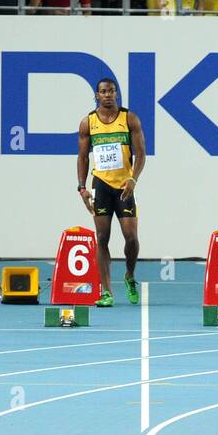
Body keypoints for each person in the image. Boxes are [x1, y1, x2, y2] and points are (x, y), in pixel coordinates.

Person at [76, 77, 146, 307]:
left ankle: (129, 275)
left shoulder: (129, 119)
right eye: (103, 92)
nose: (108, 95)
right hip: (101, 186)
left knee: (131, 238)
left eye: (111, 91)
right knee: (102, 238)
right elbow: (83, 157)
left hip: (124, 187)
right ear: (97, 95)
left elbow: (141, 154)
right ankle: (106, 291)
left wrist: (133, 179)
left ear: (117, 94)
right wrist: (82, 187)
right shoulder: (88, 123)